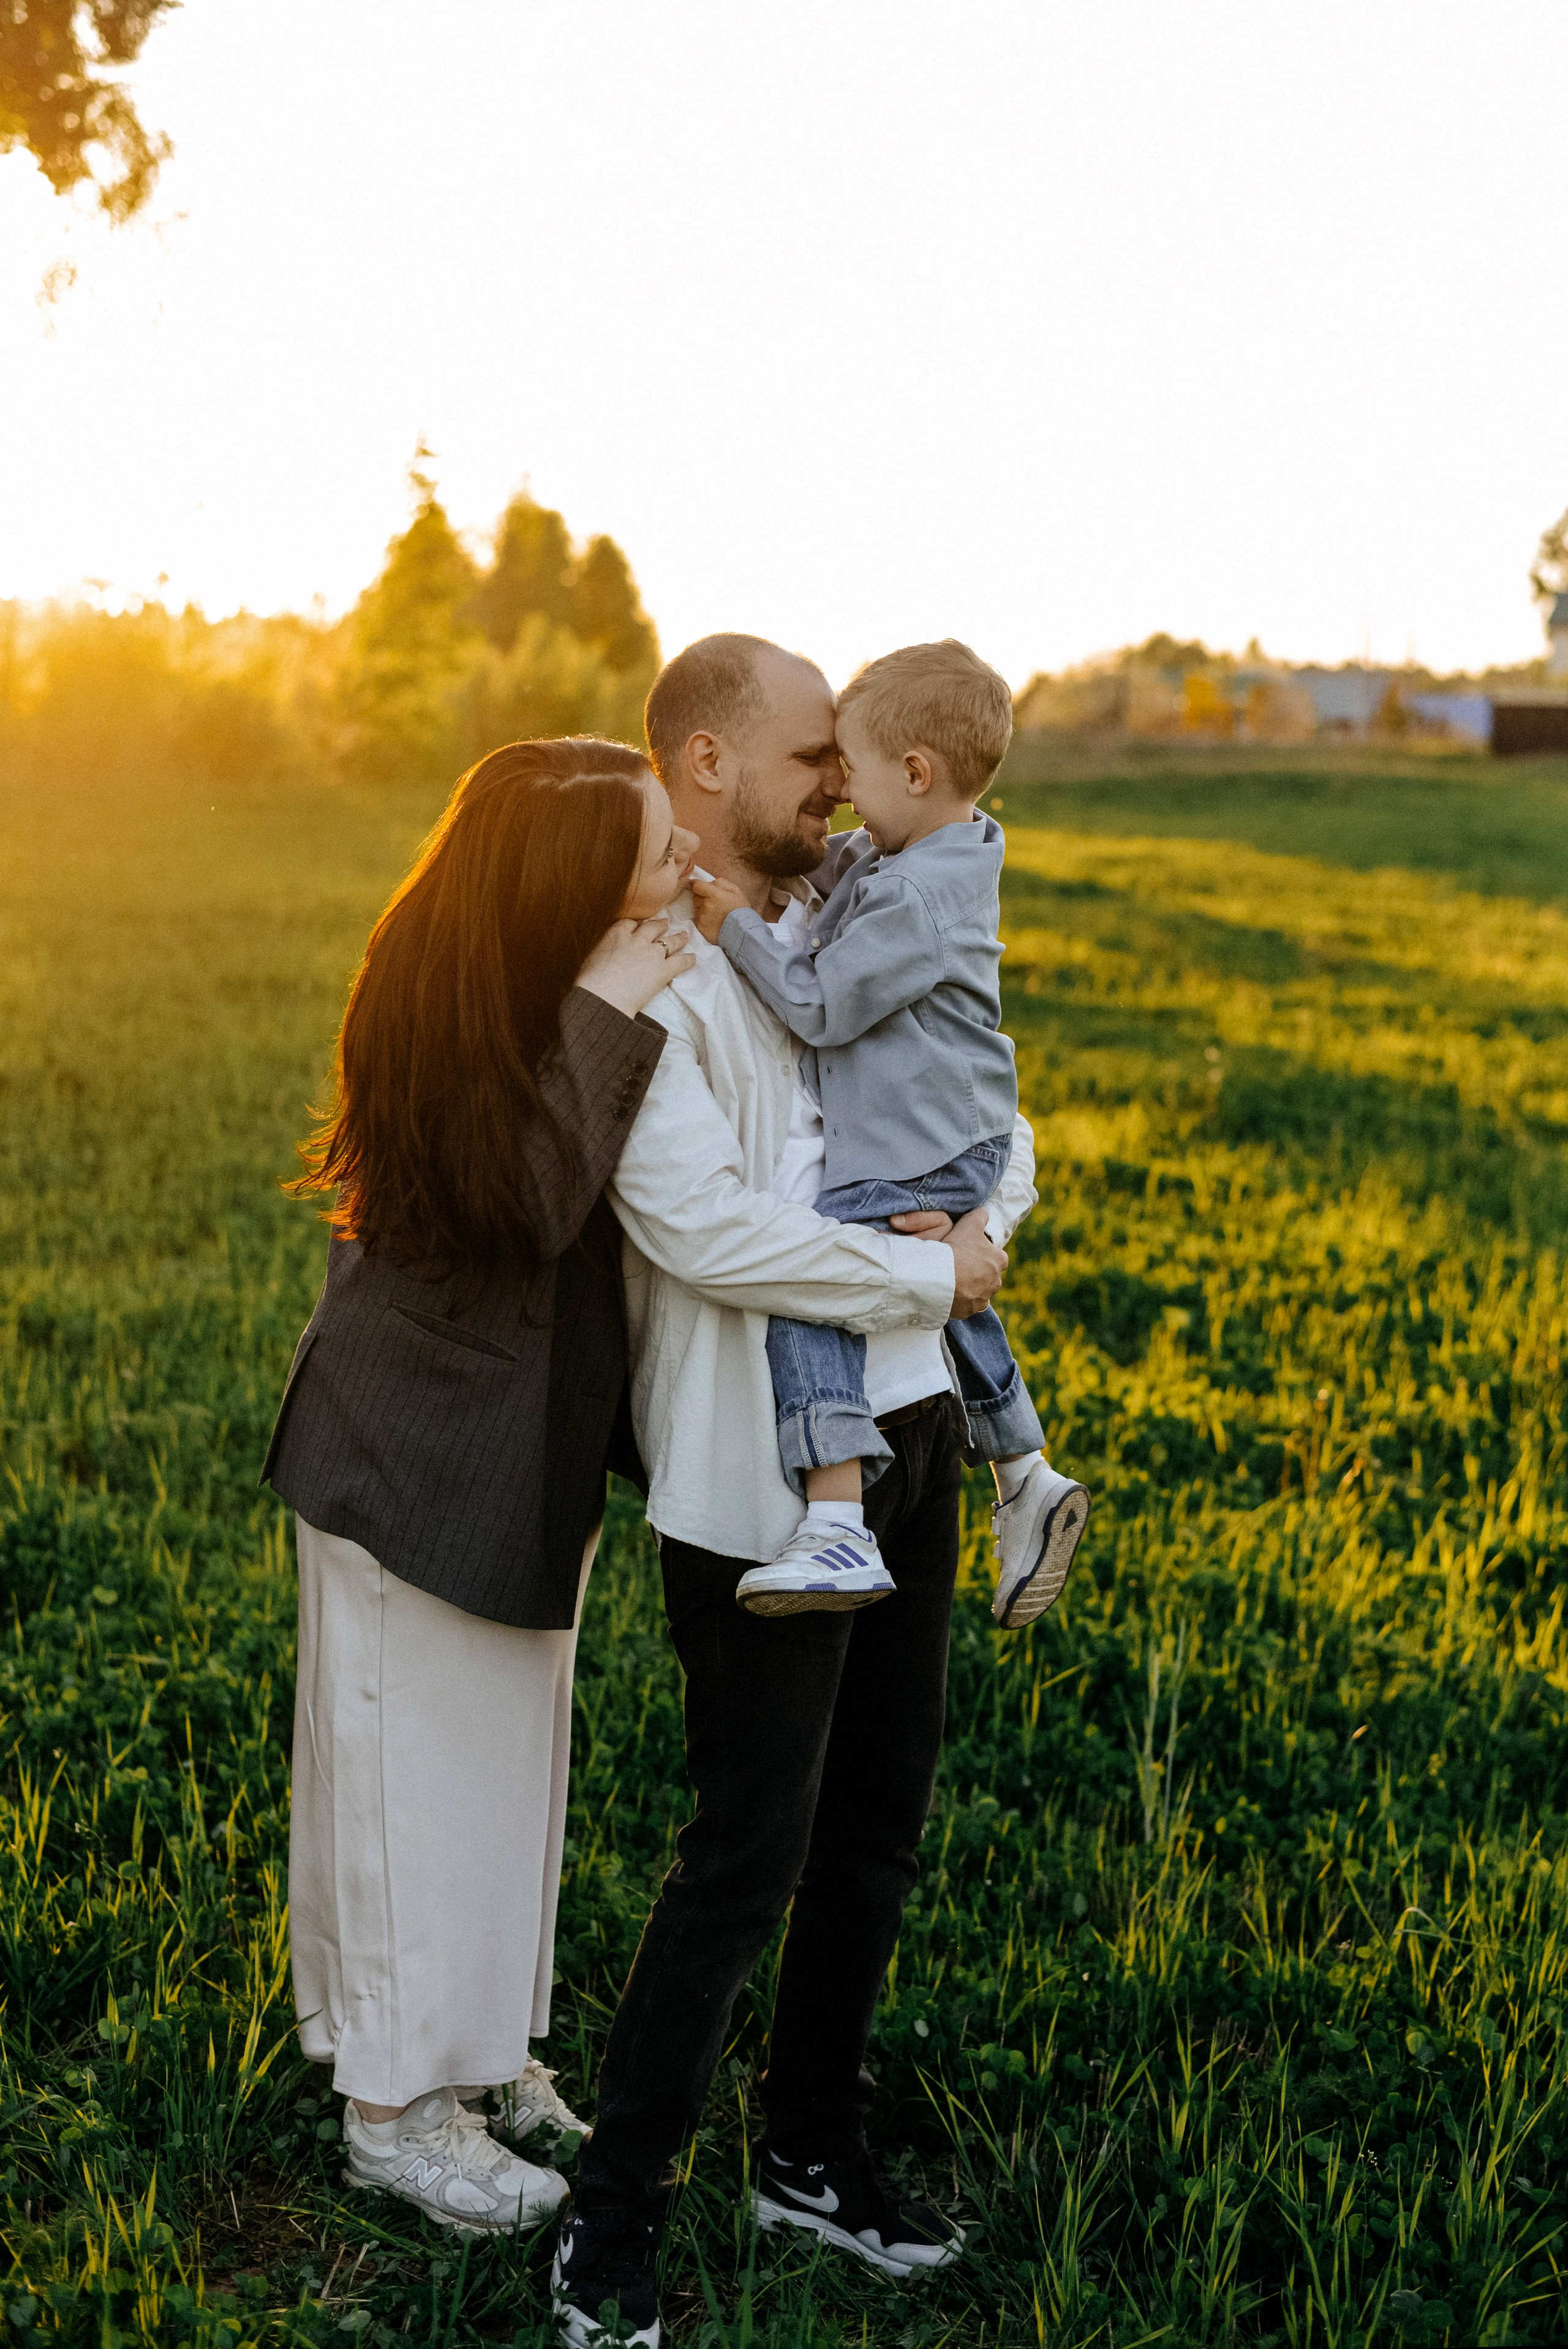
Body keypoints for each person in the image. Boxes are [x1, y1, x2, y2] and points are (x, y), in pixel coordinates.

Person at [549, 638, 1035, 2349]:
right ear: (706, 763)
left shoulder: (861, 911)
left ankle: (810, 2156)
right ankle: (611, 2219)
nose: (836, 779)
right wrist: (930, 1272)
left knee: (876, 1828)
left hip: (909, 1433)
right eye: (809, 754)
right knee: (743, 1857)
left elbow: (994, 1106)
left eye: (846, 755)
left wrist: (980, 1225)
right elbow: (705, 1231)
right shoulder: (659, 980)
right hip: (751, 1473)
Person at [262, 736, 698, 2236]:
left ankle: (475, 2054)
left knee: (500, 1774)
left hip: (515, 1449)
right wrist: (610, 1005)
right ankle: (395, 2116)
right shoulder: (455, 1008)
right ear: (565, 893)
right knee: (415, 1786)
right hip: (419, 1452)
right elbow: (527, 1202)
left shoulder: (552, 974)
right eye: (659, 855)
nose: (684, 875)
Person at [690, 638, 1090, 1628]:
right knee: (942, 1281)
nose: (840, 790)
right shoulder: (934, 847)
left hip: (925, 1139)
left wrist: (736, 925)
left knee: (816, 1276)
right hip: (957, 1132)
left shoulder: (911, 893)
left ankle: (835, 1518)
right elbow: (842, 869)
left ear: (914, 773)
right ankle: (1024, 1469)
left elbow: (821, 1007)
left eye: (850, 769)